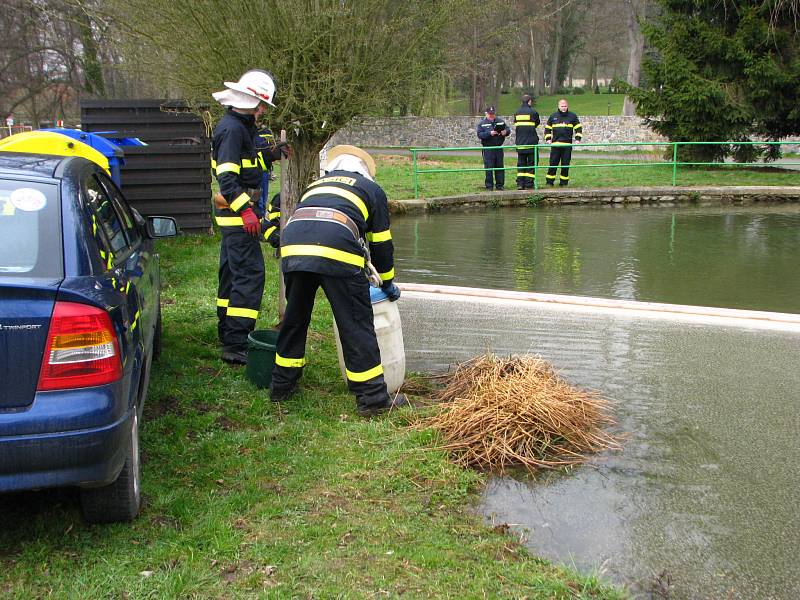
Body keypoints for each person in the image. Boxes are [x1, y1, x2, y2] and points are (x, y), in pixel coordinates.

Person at [270, 144, 407, 417]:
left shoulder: (316, 185)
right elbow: (381, 243)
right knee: (355, 323)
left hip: (294, 248)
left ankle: (281, 386)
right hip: (336, 248)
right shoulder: (372, 190)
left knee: (295, 318)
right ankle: (372, 398)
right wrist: (387, 282)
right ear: (365, 171)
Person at [211, 69, 277, 365]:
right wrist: (247, 211)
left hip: (235, 215)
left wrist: (271, 155)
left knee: (231, 273)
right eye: (262, 105)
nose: (263, 111)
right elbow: (227, 178)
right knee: (250, 275)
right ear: (250, 102)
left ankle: (226, 329)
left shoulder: (239, 126)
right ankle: (236, 344)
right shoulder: (234, 129)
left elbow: (247, 165)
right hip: (238, 216)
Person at [544, 98, 583, 187]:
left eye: (565, 106)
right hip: (555, 145)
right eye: (562, 106)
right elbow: (547, 129)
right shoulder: (553, 116)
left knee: (565, 165)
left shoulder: (572, 116)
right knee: (553, 164)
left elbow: (578, 128)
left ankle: (564, 183)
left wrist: (577, 139)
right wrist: (548, 139)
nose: (564, 108)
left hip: (567, 145)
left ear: (567, 106)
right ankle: (549, 182)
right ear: (558, 106)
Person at [476, 106, 510, 191]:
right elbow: (480, 135)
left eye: (493, 114)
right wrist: (489, 133)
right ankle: (489, 186)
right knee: (489, 168)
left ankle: (500, 185)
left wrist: (505, 132)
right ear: (486, 114)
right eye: (490, 114)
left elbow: (508, 130)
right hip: (488, 148)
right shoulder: (482, 123)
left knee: (499, 167)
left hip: (498, 148)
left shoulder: (500, 121)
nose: (492, 116)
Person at [513, 94, 540, 190]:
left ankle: (520, 184)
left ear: (521, 102)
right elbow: (537, 123)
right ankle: (529, 184)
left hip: (520, 143)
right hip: (531, 143)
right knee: (532, 164)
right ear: (529, 101)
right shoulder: (533, 112)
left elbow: (516, 124)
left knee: (521, 164)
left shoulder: (516, 112)